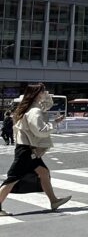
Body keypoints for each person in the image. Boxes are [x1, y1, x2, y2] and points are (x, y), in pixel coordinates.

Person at [0, 84, 72, 216]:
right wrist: (54, 123)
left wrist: (46, 97)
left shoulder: (33, 107)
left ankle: (54, 200)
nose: (46, 93)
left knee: (44, 173)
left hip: (28, 149)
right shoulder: (34, 111)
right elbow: (41, 131)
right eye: (43, 91)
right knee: (13, 179)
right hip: (27, 151)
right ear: (37, 93)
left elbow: (47, 104)